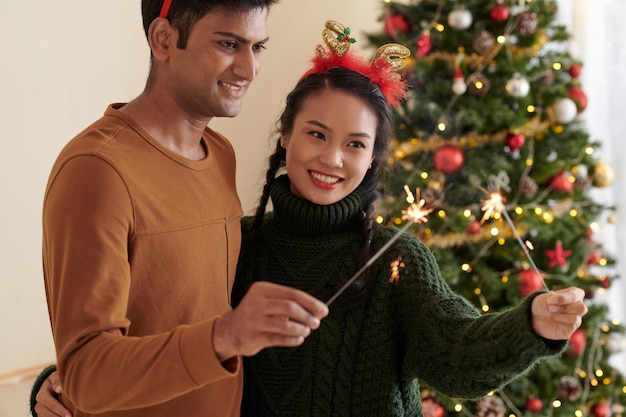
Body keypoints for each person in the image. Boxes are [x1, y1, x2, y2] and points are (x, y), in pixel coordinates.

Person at [32, 19, 588, 417]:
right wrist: (59, 385)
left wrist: (532, 324)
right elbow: (159, 322)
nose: (332, 159)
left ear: (373, 159)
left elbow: (455, 351)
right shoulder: (245, 244)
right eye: (317, 135)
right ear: (286, 137)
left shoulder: (395, 259)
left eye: (355, 144)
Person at [32, 1, 329, 417]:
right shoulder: (97, 170)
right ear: (164, 39)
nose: (249, 69)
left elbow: (176, 307)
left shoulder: (220, 153)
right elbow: (86, 373)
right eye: (229, 44)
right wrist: (223, 337)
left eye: (258, 47)